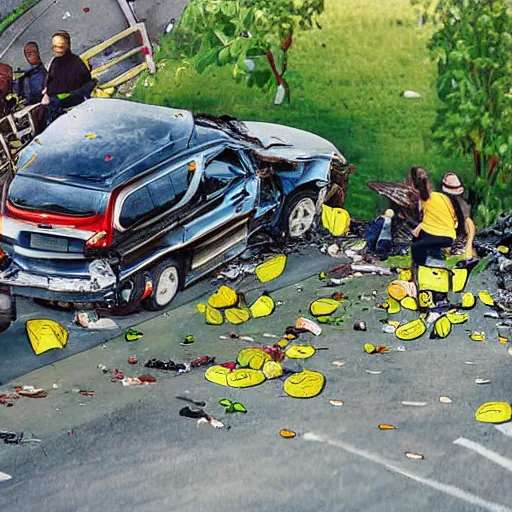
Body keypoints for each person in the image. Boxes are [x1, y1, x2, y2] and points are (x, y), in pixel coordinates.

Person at [42, 31, 96, 123]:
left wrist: (56, 98)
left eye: (60, 46)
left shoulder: (76, 63)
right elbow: (50, 80)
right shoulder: (55, 62)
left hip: (73, 109)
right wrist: (46, 92)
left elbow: (85, 85)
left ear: (68, 46)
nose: (57, 49)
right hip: (55, 108)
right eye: (54, 46)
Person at [408, 166, 458, 267]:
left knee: (416, 246)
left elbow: (424, 221)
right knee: (423, 240)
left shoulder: (424, 199)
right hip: (450, 235)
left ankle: (420, 270)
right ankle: (436, 260)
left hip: (439, 235)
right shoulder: (442, 196)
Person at [440, 172, 476, 260]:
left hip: (458, 239)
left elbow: (469, 224)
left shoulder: (461, 205)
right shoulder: (442, 202)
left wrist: (468, 245)